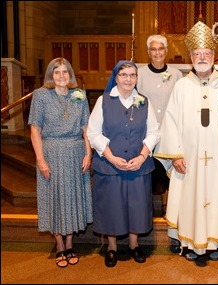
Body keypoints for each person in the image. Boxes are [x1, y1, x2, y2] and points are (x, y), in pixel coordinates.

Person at [153, 21, 218, 267]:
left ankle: (216, 244)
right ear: (191, 57)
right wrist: (175, 155)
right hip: (190, 158)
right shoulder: (182, 86)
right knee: (192, 198)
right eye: (197, 54)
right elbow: (171, 121)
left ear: (214, 56)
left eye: (206, 53)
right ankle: (193, 245)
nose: (202, 57)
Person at [87, 60, 160, 268]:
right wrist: (110, 157)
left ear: (137, 78)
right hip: (110, 166)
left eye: (132, 75)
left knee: (137, 207)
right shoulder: (104, 101)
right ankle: (111, 247)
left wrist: (142, 156)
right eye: (124, 75)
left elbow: (154, 132)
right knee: (112, 207)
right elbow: (93, 132)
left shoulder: (144, 102)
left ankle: (134, 244)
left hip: (138, 166)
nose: (128, 79)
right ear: (116, 77)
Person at [28, 57, 93, 268]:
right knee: (54, 198)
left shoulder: (79, 96)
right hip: (51, 153)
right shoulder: (40, 96)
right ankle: (59, 245)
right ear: (50, 75)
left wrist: (88, 154)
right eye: (57, 72)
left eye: (65, 72)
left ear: (71, 75)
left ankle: (71, 242)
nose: (62, 76)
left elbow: (86, 129)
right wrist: (40, 159)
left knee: (73, 197)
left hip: (75, 153)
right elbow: (35, 129)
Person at [137, 34, 183, 253]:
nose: (157, 52)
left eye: (161, 49)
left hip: (170, 134)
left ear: (166, 51)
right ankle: (147, 215)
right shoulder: (139, 74)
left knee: (169, 177)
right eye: (153, 49)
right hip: (146, 135)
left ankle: (169, 214)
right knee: (149, 175)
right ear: (149, 51)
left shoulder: (175, 74)